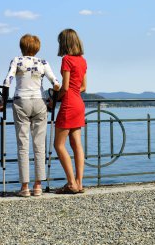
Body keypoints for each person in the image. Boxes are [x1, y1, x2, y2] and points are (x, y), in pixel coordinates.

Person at [0, 34, 60, 197]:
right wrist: (52, 100)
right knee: (40, 145)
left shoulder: (16, 61)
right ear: (37, 48)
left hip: (21, 102)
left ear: (21, 47)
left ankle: (24, 187)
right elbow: (56, 83)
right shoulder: (43, 62)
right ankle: (38, 185)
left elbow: (7, 81)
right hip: (39, 102)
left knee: (22, 144)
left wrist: (3, 102)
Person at [53, 29, 87, 194]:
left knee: (59, 145)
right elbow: (84, 87)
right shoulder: (82, 60)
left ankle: (71, 183)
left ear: (64, 42)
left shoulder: (67, 59)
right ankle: (79, 183)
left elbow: (65, 87)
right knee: (77, 145)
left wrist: (54, 99)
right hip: (79, 103)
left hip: (68, 104)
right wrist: (73, 91)